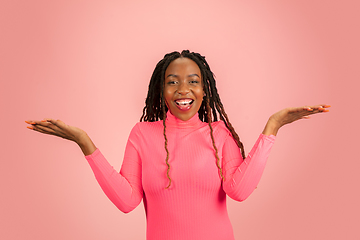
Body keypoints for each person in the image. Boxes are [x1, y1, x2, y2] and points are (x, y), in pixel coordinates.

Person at [25, 50, 330, 240]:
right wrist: (84, 142)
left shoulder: (219, 133)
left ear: (205, 89)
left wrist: (272, 127)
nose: (183, 89)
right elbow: (127, 201)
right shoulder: (142, 134)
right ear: (161, 89)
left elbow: (239, 191)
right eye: (172, 81)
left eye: (193, 81)